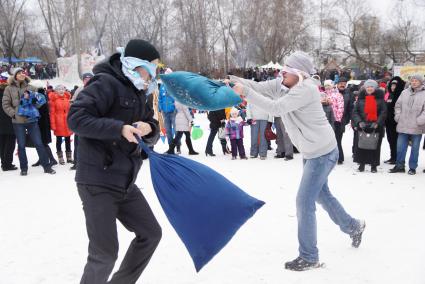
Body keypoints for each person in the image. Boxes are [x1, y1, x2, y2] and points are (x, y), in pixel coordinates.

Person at [229, 51, 365, 271]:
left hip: (322, 152)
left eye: (287, 70)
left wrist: (244, 92)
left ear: (299, 73)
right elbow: (259, 87)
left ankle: (309, 256)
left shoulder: (306, 90)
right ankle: (354, 227)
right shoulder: (285, 84)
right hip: (313, 151)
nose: (282, 72)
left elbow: (276, 108)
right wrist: (233, 81)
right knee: (323, 196)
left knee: (304, 202)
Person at [68, 39, 162, 284]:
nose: (152, 75)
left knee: (150, 234)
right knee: (104, 254)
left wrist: (149, 128)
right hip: (97, 180)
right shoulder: (105, 83)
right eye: (150, 68)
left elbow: (153, 128)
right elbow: (76, 119)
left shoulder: (139, 92)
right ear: (134, 64)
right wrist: (118, 129)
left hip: (125, 181)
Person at [1, 68, 55, 176]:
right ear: (15, 76)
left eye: (23, 73)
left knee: (39, 143)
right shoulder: (8, 89)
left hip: (32, 120)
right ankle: (24, 168)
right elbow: (5, 104)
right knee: (21, 145)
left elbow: (41, 102)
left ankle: (47, 166)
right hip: (18, 122)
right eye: (19, 73)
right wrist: (13, 114)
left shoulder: (32, 87)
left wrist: (36, 103)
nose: (21, 74)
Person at [389, 74, 425, 175]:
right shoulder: (404, 92)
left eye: (416, 81)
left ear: (420, 82)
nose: (414, 82)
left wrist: (419, 121)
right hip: (403, 125)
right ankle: (399, 166)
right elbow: (398, 106)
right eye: (412, 80)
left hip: (417, 126)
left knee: (415, 149)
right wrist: (398, 116)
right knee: (400, 147)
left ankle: (412, 167)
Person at [352, 80, 387, 173]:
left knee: (375, 146)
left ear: (375, 88)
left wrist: (377, 123)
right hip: (362, 125)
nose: (369, 88)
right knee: (361, 146)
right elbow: (355, 112)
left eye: (371, 87)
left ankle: (374, 165)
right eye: (368, 87)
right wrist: (359, 122)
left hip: (375, 126)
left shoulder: (380, 99)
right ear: (365, 88)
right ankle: (361, 164)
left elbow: (383, 112)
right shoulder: (360, 99)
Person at [70, 73, 93, 170]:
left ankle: (92, 163)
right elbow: (72, 103)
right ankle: (77, 162)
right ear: (83, 80)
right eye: (85, 79)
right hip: (81, 119)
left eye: (89, 78)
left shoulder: (97, 88)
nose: (87, 80)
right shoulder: (79, 90)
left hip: (93, 120)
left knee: (92, 143)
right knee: (78, 143)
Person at [29, 88, 57, 167]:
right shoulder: (41, 97)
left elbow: (42, 111)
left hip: (42, 123)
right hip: (41, 123)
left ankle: (52, 159)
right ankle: (42, 159)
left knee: (43, 142)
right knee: (39, 143)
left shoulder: (41, 98)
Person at [49, 85, 73, 165]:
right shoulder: (53, 100)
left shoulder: (67, 98)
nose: (61, 91)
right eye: (59, 89)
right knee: (59, 140)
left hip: (67, 122)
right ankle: (60, 157)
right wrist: (53, 125)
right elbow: (52, 113)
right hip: (58, 122)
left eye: (63, 89)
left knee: (68, 140)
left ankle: (69, 157)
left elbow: (70, 111)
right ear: (56, 91)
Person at [384, 77, 405, 164]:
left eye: (395, 85)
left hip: (396, 122)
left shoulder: (401, 95)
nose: (393, 87)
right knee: (390, 140)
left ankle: (397, 158)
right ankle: (392, 157)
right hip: (388, 122)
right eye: (392, 85)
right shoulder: (389, 94)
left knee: (396, 141)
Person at [158, 68, 181, 153]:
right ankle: (171, 147)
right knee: (168, 131)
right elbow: (160, 98)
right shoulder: (162, 86)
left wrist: (175, 107)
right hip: (165, 112)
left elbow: (177, 98)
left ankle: (178, 146)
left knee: (175, 130)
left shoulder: (174, 85)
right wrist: (160, 107)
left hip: (173, 111)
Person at [0, 76, 17, 171]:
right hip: (10, 121)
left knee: (2, 144)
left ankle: (3, 163)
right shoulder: (9, 93)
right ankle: (7, 164)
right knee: (10, 144)